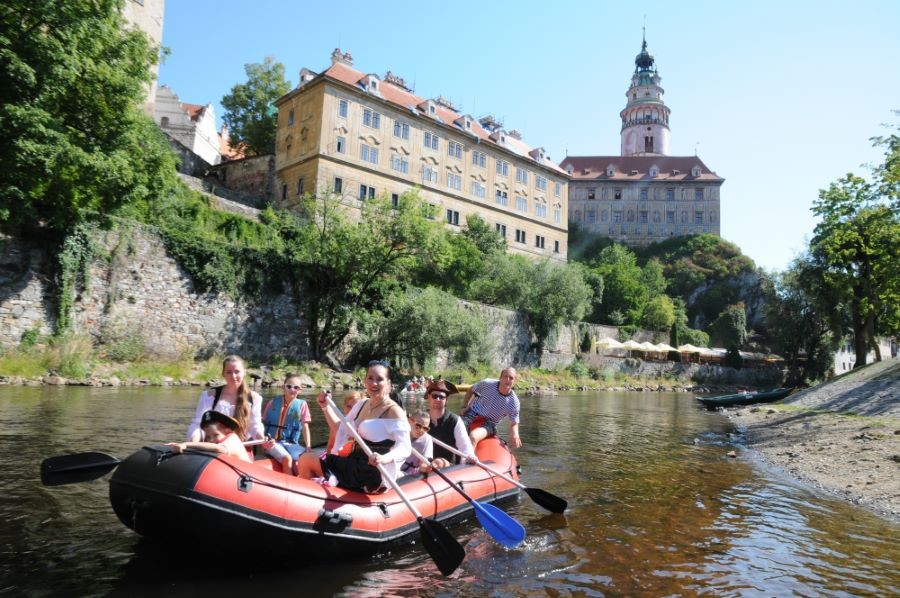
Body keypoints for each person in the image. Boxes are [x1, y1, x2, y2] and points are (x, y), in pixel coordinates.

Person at [296, 361, 410, 493]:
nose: (374, 383)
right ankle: (310, 497)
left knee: (307, 460)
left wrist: (384, 458)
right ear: (365, 381)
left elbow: (405, 448)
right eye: (370, 378)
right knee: (305, 459)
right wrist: (325, 407)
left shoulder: (394, 411)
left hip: (373, 470)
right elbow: (342, 430)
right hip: (354, 462)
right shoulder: (361, 404)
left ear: (388, 384)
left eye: (379, 379)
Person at [187, 355, 264, 442]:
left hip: (240, 447)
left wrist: (262, 438)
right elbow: (198, 424)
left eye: (237, 372)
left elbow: (255, 425)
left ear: (244, 373)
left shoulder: (255, 398)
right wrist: (194, 442)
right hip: (213, 446)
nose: (233, 376)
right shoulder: (209, 396)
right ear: (223, 374)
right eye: (229, 372)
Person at [261, 373, 312, 474]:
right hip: (272, 442)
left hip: (291, 442)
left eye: (296, 387)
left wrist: (308, 446)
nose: (292, 389)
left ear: (300, 390)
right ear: (283, 387)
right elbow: (261, 424)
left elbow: (305, 427)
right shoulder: (272, 403)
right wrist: (263, 442)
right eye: (289, 386)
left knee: (302, 461)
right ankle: (289, 487)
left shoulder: (302, 405)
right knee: (287, 458)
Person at [461, 367, 522, 448]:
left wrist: (515, 434)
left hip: (490, 423)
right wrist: (464, 406)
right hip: (471, 414)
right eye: (505, 376)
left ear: (514, 381)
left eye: (511, 378)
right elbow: (471, 390)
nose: (507, 380)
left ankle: (468, 460)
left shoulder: (514, 402)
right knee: (456, 428)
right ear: (500, 378)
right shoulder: (487, 384)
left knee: (473, 436)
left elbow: (514, 422)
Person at [426, 379, 476, 468]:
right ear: (429, 397)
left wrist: (469, 458)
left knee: (439, 463)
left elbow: (465, 448)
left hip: (448, 468)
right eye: (434, 396)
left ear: (446, 400)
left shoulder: (455, 421)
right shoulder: (421, 419)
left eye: (441, 397)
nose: (437, 399)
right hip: (424, 466)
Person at [168, 410, 252, 463]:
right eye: (208, 437)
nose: (211, 440)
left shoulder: (232, 439)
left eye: (216, 435)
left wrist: (186, 444)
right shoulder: (218, 442)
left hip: (249, 477)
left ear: (227, 430)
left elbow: (217, 448)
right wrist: (181, 446)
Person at [400, 410, 434, 475]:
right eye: (418, 425)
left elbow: (423, 464)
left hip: (409, 477)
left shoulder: (427, 439)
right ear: (409, 421)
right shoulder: (398, 433)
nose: (421, 430)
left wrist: (427, 467)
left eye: (425, 428)